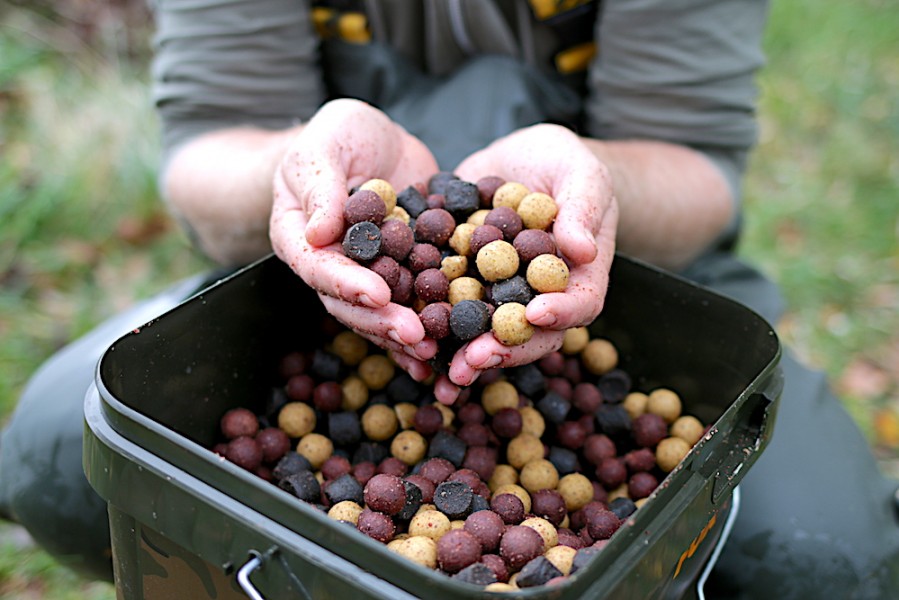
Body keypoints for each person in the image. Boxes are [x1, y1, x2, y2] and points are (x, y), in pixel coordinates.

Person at [0, 0, 896, 596]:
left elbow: (700, 169)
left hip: (633, 274)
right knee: (57, 452)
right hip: (307, 281)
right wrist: (299, 172)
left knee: (835, 566)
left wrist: (601, 181)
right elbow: (203, 151)